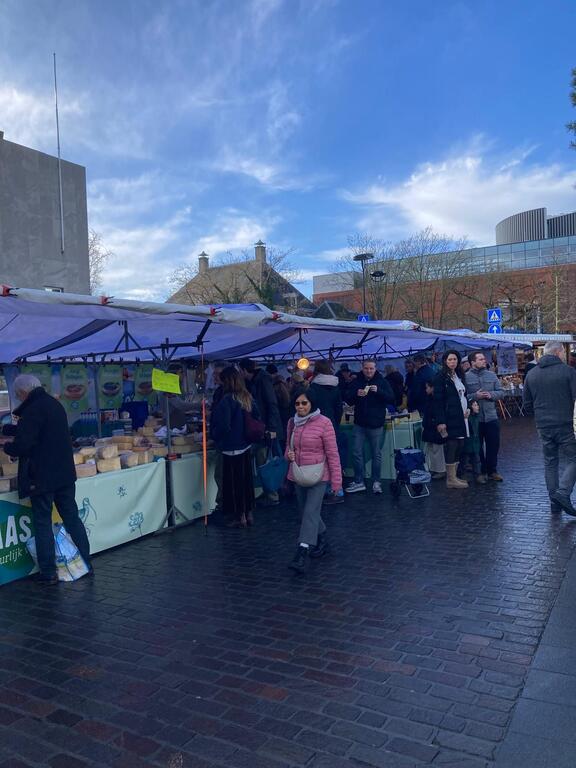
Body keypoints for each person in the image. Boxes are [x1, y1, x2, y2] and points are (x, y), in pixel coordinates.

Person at [2, 374, 92, 585]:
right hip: (64, 475)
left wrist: (7, 447)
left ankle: (49, 572)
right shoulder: (54, 404)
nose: (18, 398)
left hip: (41, 477)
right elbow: (39, 431)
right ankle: (86, 563)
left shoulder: (32, 410)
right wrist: (7, 429)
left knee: (42, 523)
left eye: (18, 395)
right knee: (72, 518)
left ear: (23, 392)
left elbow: (23, 444)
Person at [285, 389, 342, 574]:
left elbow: (333, 453)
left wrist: (336, 482)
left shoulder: (324, 423)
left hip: (319, 475)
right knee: (307, 512)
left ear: (312, 404)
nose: (300, 407)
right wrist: (288, 455)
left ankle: (301, 551)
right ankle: (322, 538)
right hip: (299, 474)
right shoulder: (292, 423)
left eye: (304, 403)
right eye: (297, 403)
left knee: (310, 512)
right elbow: (288, 447)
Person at [523, 341, 576, 516]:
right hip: (565, 423)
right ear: (558, 352)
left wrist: (540, 414)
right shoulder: (568, 371)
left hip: (543, 425)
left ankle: (555, 502)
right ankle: (563, 492)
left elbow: (526, 404)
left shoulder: (531, 374)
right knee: (574, 458)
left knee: (550, 462)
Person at [210, 367, 257, 527]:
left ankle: (239, 516)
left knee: (233, 483)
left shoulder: (227, 400)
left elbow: (223, 425)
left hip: (230, 447)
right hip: (245, 444)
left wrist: (215, 436)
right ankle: (248, 513)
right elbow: (256, 416)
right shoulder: (246, 397)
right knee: (246, 482)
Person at [345, 359, 395, 494]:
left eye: (371, 368)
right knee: (356, 452)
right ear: (362, 368)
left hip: (376, 423)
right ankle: (359, 481)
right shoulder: (356, 381)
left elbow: (391, 398)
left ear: (375, 369)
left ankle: (376, 481)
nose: (368, 371)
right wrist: (356, 394)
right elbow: (347, 398)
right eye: (366, 368)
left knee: (376, 454)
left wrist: (379, 391)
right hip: (359, 423)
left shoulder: (382, 381)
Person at [238, 358, 283, 506]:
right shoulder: (254, 381)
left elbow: (271, 404)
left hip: (265, 428)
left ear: (244, 370)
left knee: (266, 460)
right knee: (263, 460)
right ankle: (269, 491)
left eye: (240, 370)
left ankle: (272, 494)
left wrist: (272, 428)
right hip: (260, 427)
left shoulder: (262, 380)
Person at [308, 360, 345, 505]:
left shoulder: (313, 387)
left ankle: (324, 490)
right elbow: (339, 409)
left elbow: (311, 408)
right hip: (332, 425)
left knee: (321, 460)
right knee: (334, 460)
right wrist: (334, 423)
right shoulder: (336, 386)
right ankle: (337, 490)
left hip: (317, 426)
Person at [465, 351, 504, 482]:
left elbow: (501, 392)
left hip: (491, 416)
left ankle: (492, 470)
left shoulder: (491, 375)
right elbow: (462, 397)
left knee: (494, 444)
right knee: (477, 446)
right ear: (473, 362)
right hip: (475, 418)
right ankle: (480, 471)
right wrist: (475, 396)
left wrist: (491, 395)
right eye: (480, 359)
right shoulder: (465, 377)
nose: (484, 361)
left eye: (483, 359)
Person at [432, 350, 469, 489]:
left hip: (462, 417)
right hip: (450, 417)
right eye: (450, 359)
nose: (452, 362)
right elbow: (438, 401)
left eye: (454, 359)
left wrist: (469, 407)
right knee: (452, 445)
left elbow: (464, 394)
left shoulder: (459, 375)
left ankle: (455, 476)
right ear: (445, 361)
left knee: (460, 445)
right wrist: (441, 421)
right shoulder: (441, 377)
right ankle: (450, 479)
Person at [421, 381, 446, 480]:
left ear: (432, 388)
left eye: (427, 387)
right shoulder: (431, 398)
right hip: (431, 426)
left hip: (435, 426)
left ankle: (440, 470)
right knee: (433, 449)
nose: (426, 389)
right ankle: (435, 469)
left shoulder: (436, 399)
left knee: (437, 449)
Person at [266, 364, 291, 443]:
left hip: (281, 413)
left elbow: (281, 401)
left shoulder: (276, 385)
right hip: (286, 413)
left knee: (281, 438)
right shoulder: (283, 382)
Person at [461, 400, 483, 483]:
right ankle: (464, 475)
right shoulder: (469, 418)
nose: (477, 407)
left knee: (476, 459)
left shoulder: (476, 417)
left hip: (474, 441)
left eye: (477, 405)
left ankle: (477, 475)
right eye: (475, 405)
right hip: (469, 441)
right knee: (465, 459)